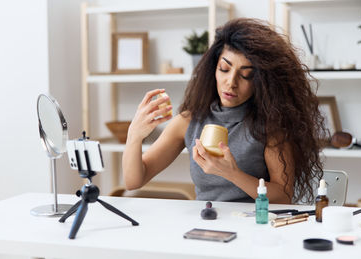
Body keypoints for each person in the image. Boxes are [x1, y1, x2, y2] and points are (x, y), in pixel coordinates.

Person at [122, 18, 327, 204]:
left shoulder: (269, 126)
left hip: (254, 226)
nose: (231, 83)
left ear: (261, 82)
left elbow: (283, 196)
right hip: (207, 222)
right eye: (225, 69)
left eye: (246, 75)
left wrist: (232, 173)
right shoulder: (189, 121)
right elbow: (134, 181)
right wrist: (134, 136)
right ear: (213, 69)